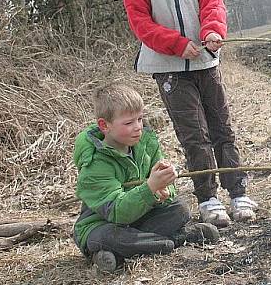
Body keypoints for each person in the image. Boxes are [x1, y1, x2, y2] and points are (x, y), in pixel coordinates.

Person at [122, 0, 257, 227]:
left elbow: (213, 4)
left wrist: (213, 31)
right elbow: (141, 23)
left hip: (205, 61)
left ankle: (238, 192)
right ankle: (209, 198)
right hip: (170, 68)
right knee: (194, 134)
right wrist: (177, 44)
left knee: (221, 128)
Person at [73, 82, 219, 273]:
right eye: (128, 123)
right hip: (102, 224)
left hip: (141, 217)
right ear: (104, 125)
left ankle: (122, 253)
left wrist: (164, 188)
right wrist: (150, 187)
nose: (138, 128)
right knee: (110, 237)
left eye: (140, 119)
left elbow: (165, 188)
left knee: (180, 209)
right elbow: (118, 212)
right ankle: (175, 240)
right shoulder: (94, 165)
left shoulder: (146, 143)